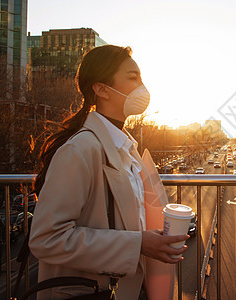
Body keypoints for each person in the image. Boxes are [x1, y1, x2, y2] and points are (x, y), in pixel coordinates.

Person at [29, 45, 189, 299]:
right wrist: (138, 244)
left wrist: (149, 239)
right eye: (133, 77)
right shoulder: (80, 149)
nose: (142, 87)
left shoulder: (125, 147)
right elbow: (46, 238)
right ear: (102, 89)